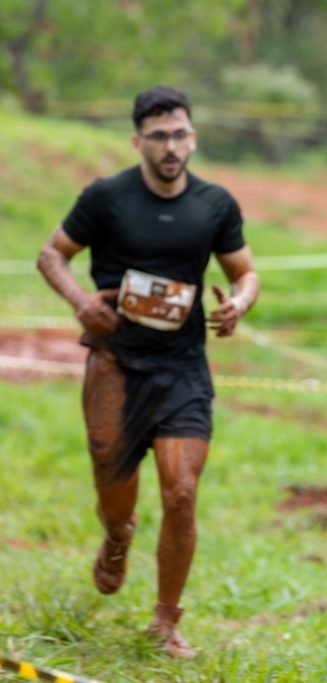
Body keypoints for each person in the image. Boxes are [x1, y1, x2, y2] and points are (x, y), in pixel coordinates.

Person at [36, 85, 260, 659]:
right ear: (138, 141)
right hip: (114, 364)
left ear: (193, 138)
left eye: (179, 134)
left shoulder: (215, 204)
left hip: (182, 368)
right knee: (113, 493)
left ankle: (166, 621)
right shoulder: (106, 197)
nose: (170, 146)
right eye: (159, 136)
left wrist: (238, 304)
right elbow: (51, 254)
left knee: (181, 490)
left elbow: (245, 272)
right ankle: (118, 535)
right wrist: (80, 302)